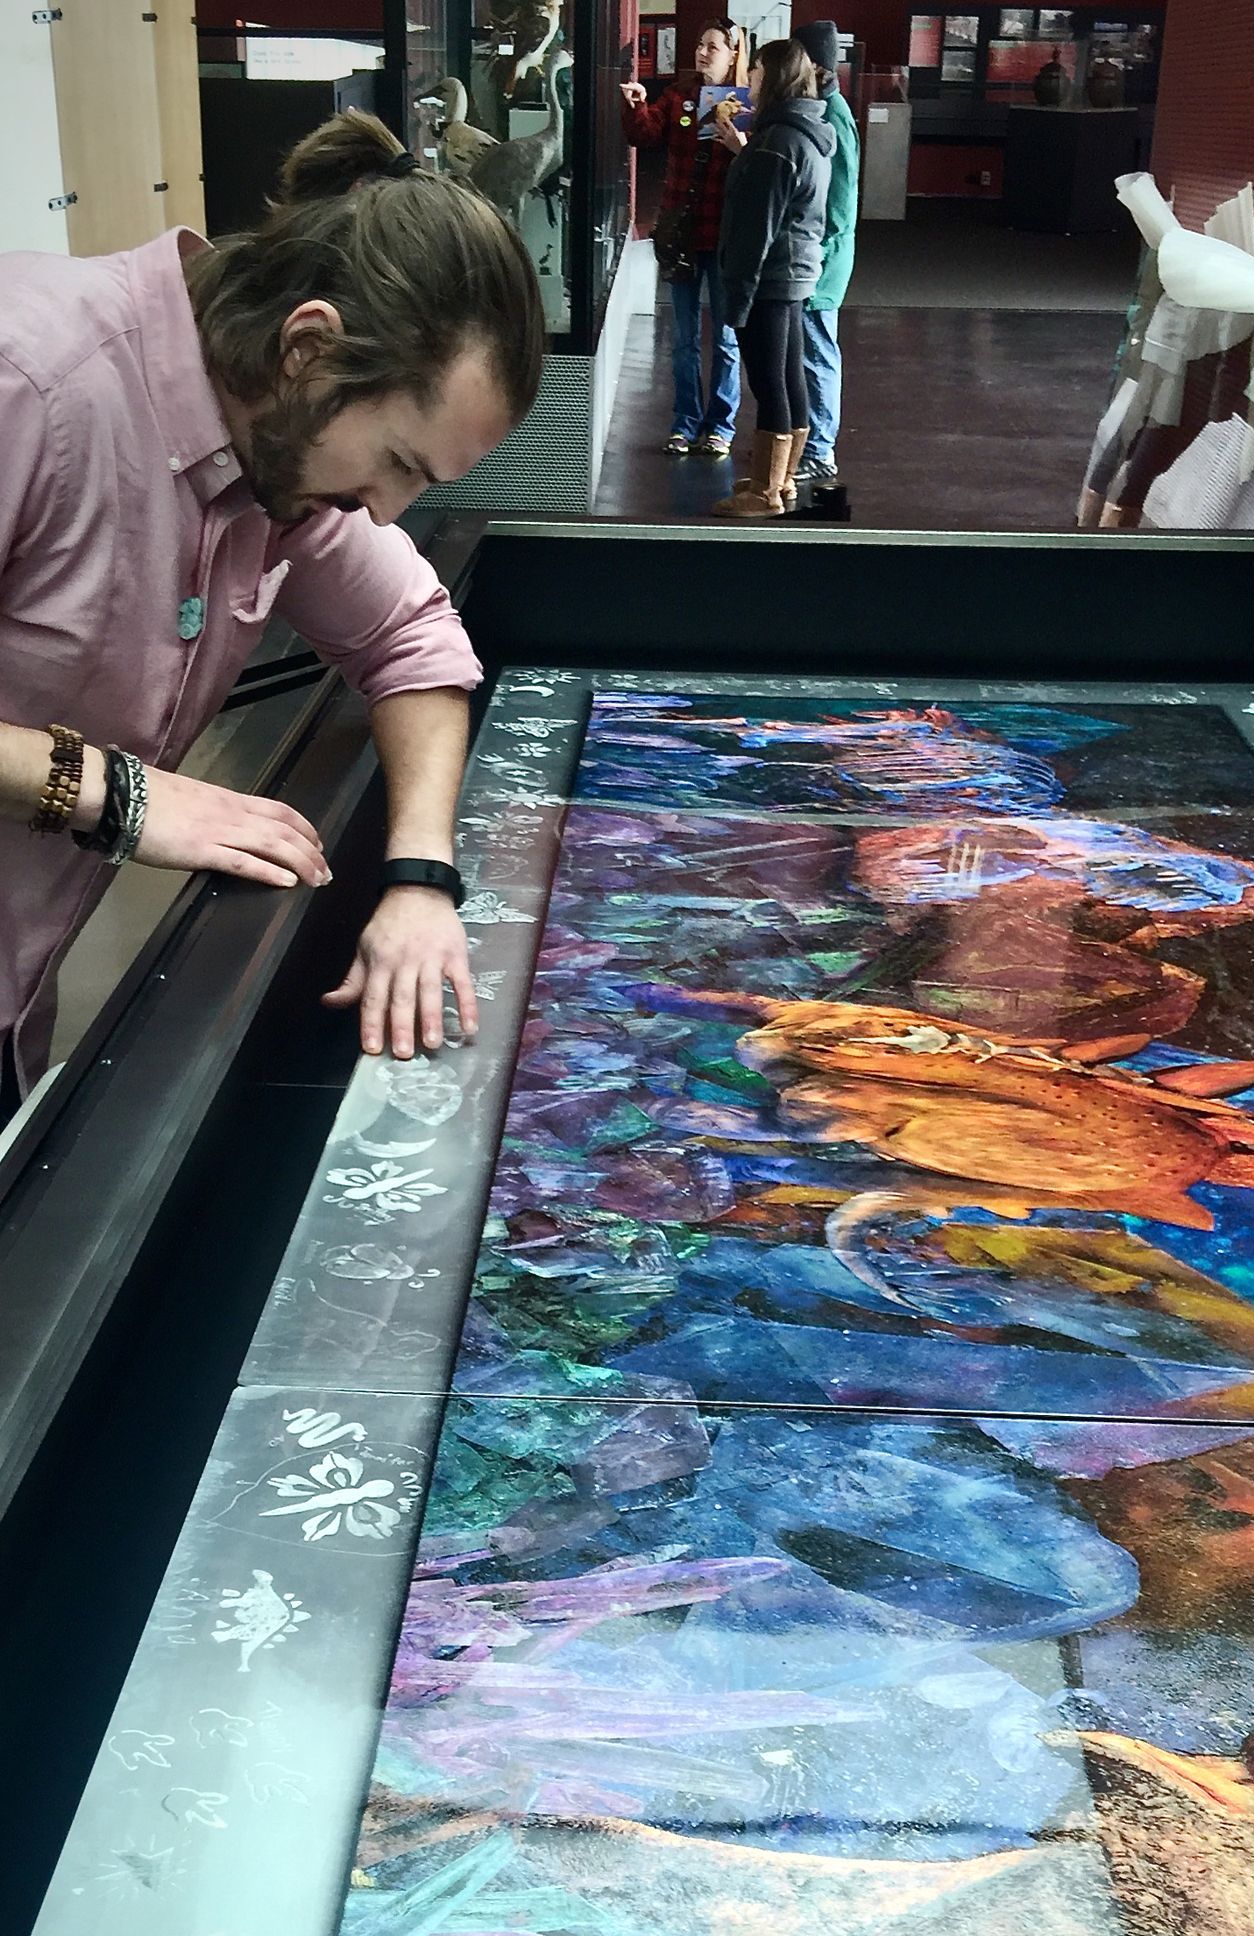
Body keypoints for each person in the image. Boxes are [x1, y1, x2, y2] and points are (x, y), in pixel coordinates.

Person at [0, 113, 543, 1116]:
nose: (386, 511)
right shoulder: (31, 378)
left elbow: (412, 638)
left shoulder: (278, 459)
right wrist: (116, 792)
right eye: (397, 463)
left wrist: (422, 878)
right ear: (309, 348)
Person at [711, 37, 833, 521]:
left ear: (776, 76)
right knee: (788, 375)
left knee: (769, 382)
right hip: (794, 274)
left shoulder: (778, 142)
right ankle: (778, 479)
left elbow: (754, 230)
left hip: (771, 279)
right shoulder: (806, 132)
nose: (749, 79)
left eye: (756, 70)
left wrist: (736, 298)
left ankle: (766, 492)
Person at [622, 18, 751, 460]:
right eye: (700, 44)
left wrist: (744, 146)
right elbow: (645, 133)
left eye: (713, 46)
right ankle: (684, 422)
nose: (702, 52)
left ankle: (721, 426)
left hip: (726, 234)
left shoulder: (747, 101)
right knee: (683, 337)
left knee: (725, 338)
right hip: (682, 233)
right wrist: (637, 104)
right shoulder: (680, 94)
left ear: (734, 53)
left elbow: (759, 169)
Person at [793, 19, 858, 514]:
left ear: (814, 65)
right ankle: (810, 442)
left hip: (822, 263)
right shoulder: (826, 110)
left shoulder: (833, 118)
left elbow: (838, 207)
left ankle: (820, 452)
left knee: (818, 353)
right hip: (819, 259)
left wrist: (816, 258)